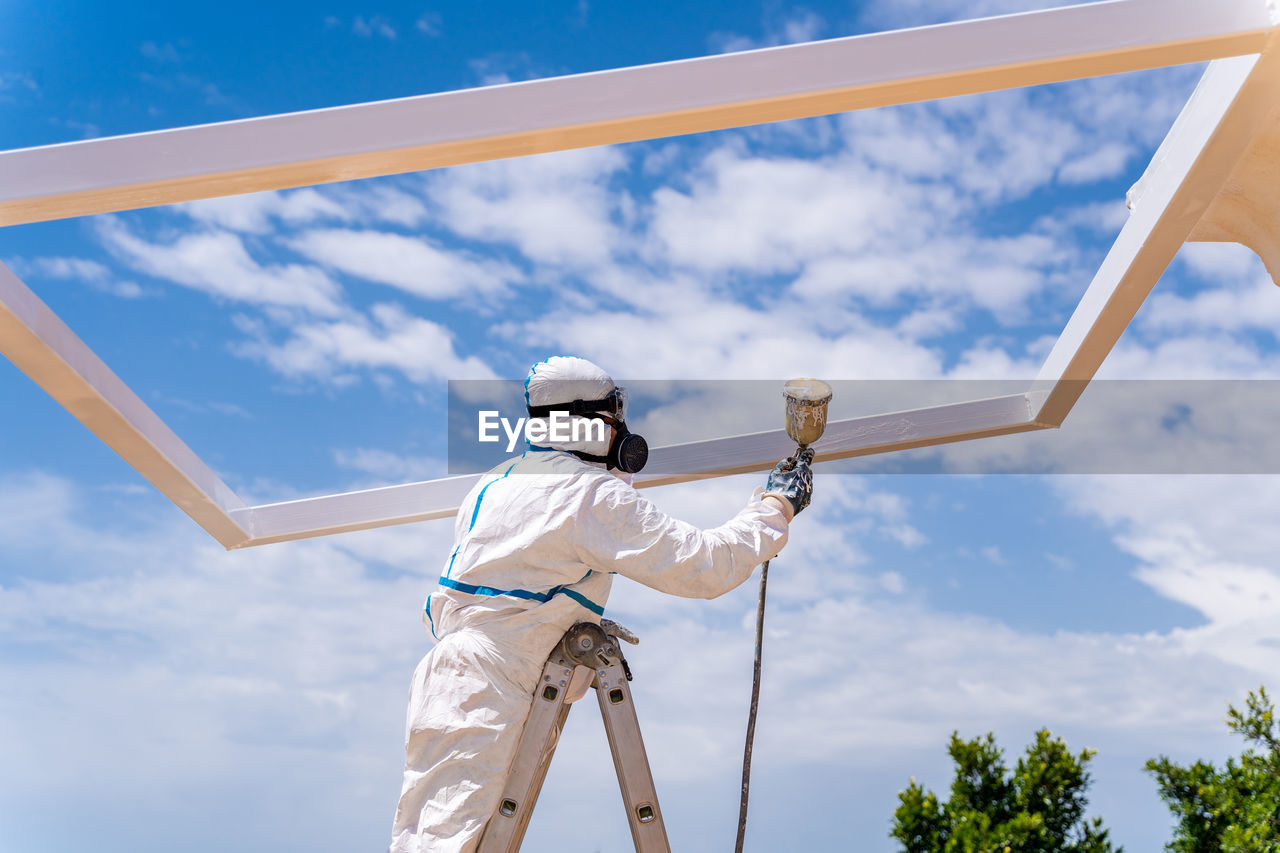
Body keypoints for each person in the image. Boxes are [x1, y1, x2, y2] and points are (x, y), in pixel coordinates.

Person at [389, 356, 815, 853]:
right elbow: (704, 564)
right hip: (495, 686)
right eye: (614, 418)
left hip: (448, 677)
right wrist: (775, 507)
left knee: (429, 838)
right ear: (590, 423)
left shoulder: (496, 482)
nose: (622, 432)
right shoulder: (589, 496)